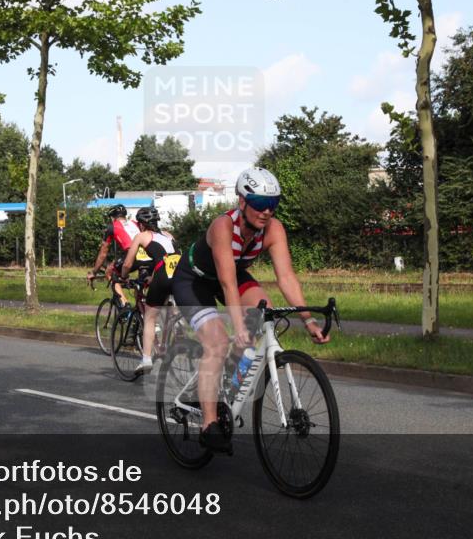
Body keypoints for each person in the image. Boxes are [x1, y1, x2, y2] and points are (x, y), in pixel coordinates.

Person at [171, 167, 329, 454]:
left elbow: (287, 277)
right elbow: (228, 285)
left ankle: (228, 379)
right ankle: (209, 423)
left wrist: (308, 320)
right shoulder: (223, 227)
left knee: (264, 311)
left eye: (273, 204)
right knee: (218, 341)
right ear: (242, 202)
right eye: (259, 203)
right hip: (194, 281)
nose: (266, 211)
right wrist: (239, 328)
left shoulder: (274, 229)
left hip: (232, 274)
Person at [119, 207, 178, 376]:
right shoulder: (169, 235)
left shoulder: (141, 236)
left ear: (141, 224)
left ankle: (146, 359)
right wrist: (153, 277)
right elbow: (170, 259)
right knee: (170, 308)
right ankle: (174, 335)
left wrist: (123, 277)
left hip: (163, 276)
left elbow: (128, 264)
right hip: (179, 274)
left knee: (150, 317)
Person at [87, 204, 152, 306]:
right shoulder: (136, 224)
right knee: (140, 286)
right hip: (148, 254)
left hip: (132, 254)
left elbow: (103, 254)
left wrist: (94, 272)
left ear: (112, 217)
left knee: (109, 271)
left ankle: (124, 305)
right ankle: (141, 315)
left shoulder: (112, 227)